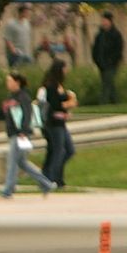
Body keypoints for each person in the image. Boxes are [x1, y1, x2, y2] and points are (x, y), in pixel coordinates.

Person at [0, 73, 55, 198]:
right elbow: (3, 113)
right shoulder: (10, 97)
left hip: (20, 134)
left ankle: (8, 190)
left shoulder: (23, 96)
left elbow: (27, 114)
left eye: (10, 81)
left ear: (17, 82)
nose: (7, 83)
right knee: (22, 162)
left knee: (12, 161)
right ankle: (46, 183)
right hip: (14, 133)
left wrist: (23, 131)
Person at [39, 60, 78, 188]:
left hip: (61, 122)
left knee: (69, 150)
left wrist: (68, 99)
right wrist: (68, 104)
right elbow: (55, 105)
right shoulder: (51, 86)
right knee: (58, 151)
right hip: (53, 123)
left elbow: (63, 101)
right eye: (65, 69)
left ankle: (54, 176)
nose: (66, 71)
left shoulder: (59, 86)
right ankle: (51, 179)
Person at [91, 12, 124, 105]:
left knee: (107, 82)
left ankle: (103, 102)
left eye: (105, 21)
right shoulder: (100, 35)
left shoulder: (116, 34)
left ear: (110, 22)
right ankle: (115, 102)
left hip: (112, 64)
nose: (104, 23)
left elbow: (118, 49)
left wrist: (112, 61)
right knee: (109, 83)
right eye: (103, 21)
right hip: (101, 64)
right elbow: (95, 49)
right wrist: (97, 60)